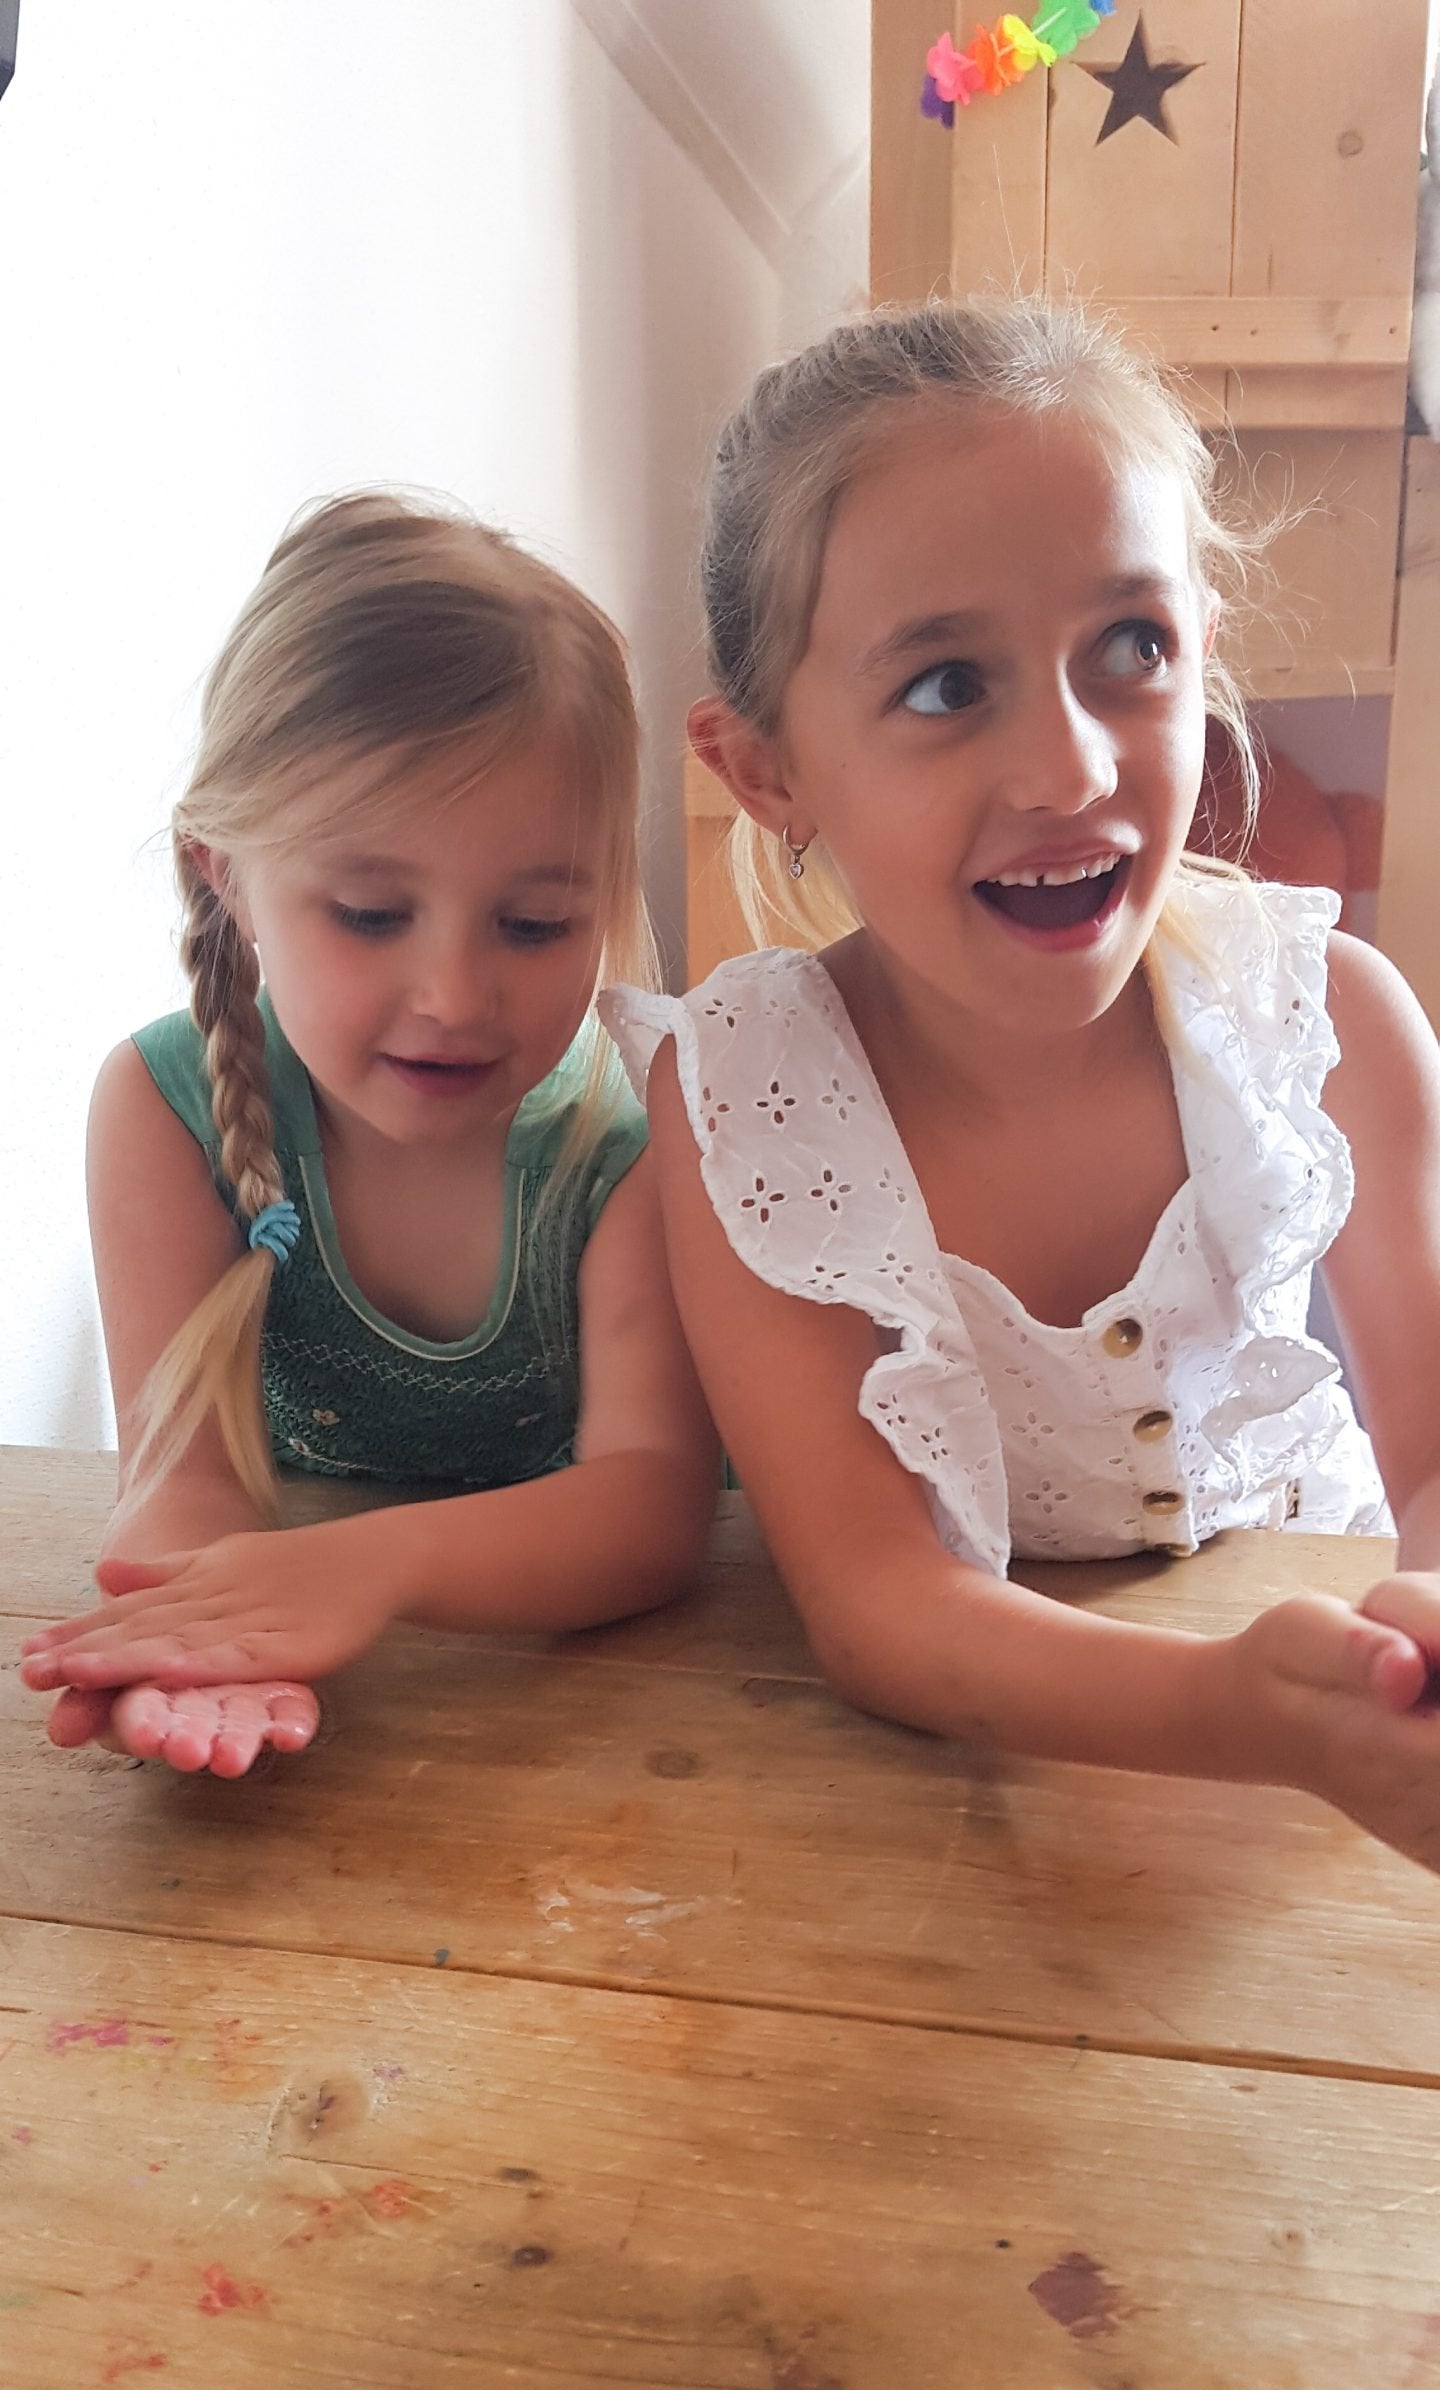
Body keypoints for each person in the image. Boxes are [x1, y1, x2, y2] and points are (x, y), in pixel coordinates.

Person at [592, 298, 1440, 1872]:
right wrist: (1250, 1717)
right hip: (980, 1825)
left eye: (1132, 650)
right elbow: (880, 1602)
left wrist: (1414, 1643)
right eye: (944, 686)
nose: (1071, 769)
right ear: (766, 771)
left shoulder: (1337, 1022)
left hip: (1345, 1755)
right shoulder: (743, 1111)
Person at [21, 492, 715, 1776]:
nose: (453, 996)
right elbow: (182, 1477)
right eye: (370, 914)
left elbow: (651, 1507)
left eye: (534, 925)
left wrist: (369, 1566)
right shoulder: (161, 1109)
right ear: (226, 873)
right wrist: (204, 1640)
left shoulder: (625, 1149)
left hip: (608, 1725)